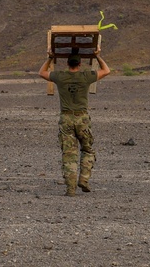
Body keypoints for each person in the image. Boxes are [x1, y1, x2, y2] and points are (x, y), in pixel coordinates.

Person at [39, 49, 111, 196]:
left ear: (67, 64)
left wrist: (50, 58)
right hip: (82, 119)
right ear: (79, 64)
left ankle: (70, 189)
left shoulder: (60, 76)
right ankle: (84, 179)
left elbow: (42, 73)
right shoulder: (86, 76)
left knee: (69, 154)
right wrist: (97, 56)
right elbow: (106, 70)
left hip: (66, 119)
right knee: (87, 149)